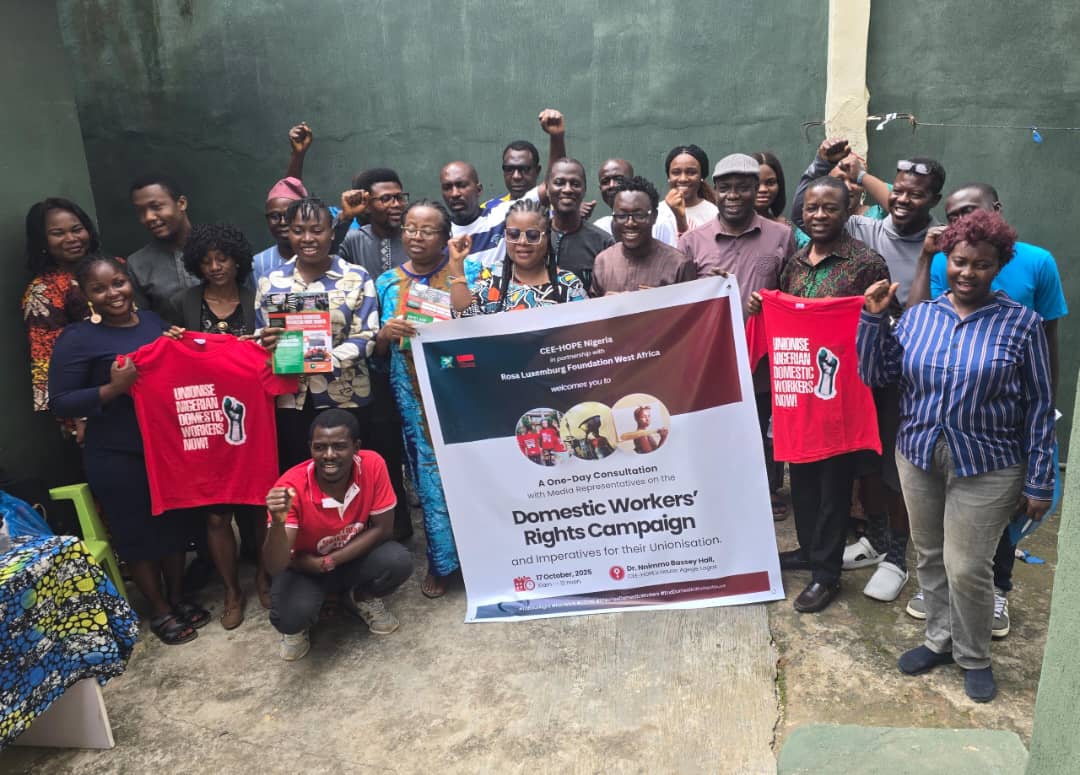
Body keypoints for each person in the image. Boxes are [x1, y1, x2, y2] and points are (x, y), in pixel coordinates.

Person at [858, 209, 1054, 703]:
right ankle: (938, 640)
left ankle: (974, 655)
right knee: (929, 555)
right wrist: (873, 319)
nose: (968, 273)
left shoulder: (1022, 324)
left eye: (981, 265)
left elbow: (1039, 404)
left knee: (967, 565)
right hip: (919, 454)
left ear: (999, 266)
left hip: (988, 463)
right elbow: (878, 375)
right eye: (960, 262)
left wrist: (1040, 480)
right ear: (947, 259)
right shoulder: (920, 316)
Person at [905, 182, 1068, 635]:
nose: (969, 270)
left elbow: (1047, 347)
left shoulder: (1037, 266)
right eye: (953, 217)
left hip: (1000, 425)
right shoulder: (946, 262)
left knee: (988, 535)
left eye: (970, 211)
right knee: (944, 543)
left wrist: (1039, 451)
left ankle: (994, 593)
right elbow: (920, 329)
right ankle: (943, 625)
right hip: (940, 429)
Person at [747, 176, 891, 613]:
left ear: (847, 211)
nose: (820, 215)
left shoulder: (867, 263)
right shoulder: (794, 264)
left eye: (830, 207)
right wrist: (761, 308)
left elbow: (883, 323)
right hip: (798, 394)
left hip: (839, 395)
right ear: (802, 213)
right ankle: (809, 550)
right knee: (803, 480)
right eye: (812, 208)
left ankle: (826, 575)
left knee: (833, 484)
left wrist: (871, 313)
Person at [49, 255, 206, 645]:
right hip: (115, 452)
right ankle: (160, 609)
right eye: (99, 289)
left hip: (164, 448)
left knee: (173, 528)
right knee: (137, 534)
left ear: (128, 282)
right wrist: (114, 388)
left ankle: (177, 596)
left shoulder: (153, 323)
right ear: (87, 295)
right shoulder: (77, 338)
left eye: (117, 283)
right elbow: (61, 401)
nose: (113, 293)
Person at [162, 223, 268, 626]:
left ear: (236, 260)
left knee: (259, 506)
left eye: (222, 258)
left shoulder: (256, 298)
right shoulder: (183, 303)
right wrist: (173, 340)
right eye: (206, 261)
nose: (215, 267)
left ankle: (264, 577)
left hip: (253, 417)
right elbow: (170, 357)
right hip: (207, 422)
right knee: (216, 515)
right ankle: (231, 590)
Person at [679, 153, 795, 517]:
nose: (733, 195)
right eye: (725, 188)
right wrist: (705, 292)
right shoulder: (692, 241)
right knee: (717, 432)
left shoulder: (781, 236)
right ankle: (721, 498)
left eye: (743, 187)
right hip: (713, 361)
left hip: (762, 361)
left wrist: (770, 305)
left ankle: (765, 495)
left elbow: (791, 292)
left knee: (762, 430)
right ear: (714, 189)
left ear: (756, 189)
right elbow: (682, 306)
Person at [374, 200, 477, 599]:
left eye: (428, 230)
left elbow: (478, 325)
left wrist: (455, 273)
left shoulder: (467, 273)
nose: (417, 237)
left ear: (445, 236)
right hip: (412, 398)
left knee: (473, 475)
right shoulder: (386, 283)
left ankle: (485, 558)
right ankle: (442, 563)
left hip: (462, 391)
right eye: (411, 228)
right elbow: (377, 357)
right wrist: (385, 335)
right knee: (430, 481)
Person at [263, 409, 412, 662]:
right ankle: (304, 621)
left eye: (340, 446)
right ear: (310, 448)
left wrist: (329, 561)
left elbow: (383, 529)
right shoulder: (290, 487)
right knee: (289, 618)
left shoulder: (372, 465)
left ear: (356, 447)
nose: (329, 455)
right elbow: (275, 566)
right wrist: (277, 523)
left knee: (398, 561)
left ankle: (359, 597)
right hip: (304, 569)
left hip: (348, 559)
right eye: (320, 447)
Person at [255, 197, 380, 471]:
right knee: (298, 475)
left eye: (317, 230)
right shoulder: (271, 281)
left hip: (346, 398)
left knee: (350, 475)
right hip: (291, 401)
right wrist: (266, 342)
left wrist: (318, 359)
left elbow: (367, 336)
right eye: (298, 231)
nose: (307, 238)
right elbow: (261, 335)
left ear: (332, 233)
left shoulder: (356, 277)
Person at [441, 108, 566, 276]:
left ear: (478, 190)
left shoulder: (500, 215)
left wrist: (556, 137)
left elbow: (552, 185)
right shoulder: (438, 233)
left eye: (462, 185)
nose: (455, 193)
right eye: (447, 187)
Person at [22, 198, 98, 414]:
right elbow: (47, 361)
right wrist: (76, 417)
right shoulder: (43, 292)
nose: (71, 239)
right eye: (58, 233)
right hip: (91, 401)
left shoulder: (115, 268)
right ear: (42, 241)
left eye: (77, 229)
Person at [451, 199, 587, 315]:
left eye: (532, 235)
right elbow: (463, 315)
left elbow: (585, 331)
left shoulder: (569, 285)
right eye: (514, 234)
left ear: (546, 237)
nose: (522, 242)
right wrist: (457, 269)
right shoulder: (491, 279)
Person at [591, 177, 698, 296]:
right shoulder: (603, 262)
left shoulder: (679, 264)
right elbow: (593, 306)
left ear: (654, 216)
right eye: (621, 215)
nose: (630, 223)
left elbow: (693, 307)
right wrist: (606, 303)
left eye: (639, 215)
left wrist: (660, 301)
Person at [127, 173, 199, 313]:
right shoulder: (137, 265)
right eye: (141, 211)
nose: (148, 217)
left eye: (156, 206)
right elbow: (142, 320)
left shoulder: (219, 250)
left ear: (181, 203)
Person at [545, 158, 614, 293]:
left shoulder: (603, 243)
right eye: (559, 183)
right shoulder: (533, 237)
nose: (567, 189)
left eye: (575, 184)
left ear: (584, 190)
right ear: (547, 189)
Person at [790, 138, 888, 231]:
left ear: (864, 186)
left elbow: (895, 202)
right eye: (839, 180)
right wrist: (821, 164)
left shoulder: (881, 216)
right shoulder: (825, 224)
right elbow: (800, 212)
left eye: (855, 180)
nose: (848, 187)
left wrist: (862, 176)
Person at [337, 168, 409, 279]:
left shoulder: (414, 238)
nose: (396, 204)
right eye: (385, 198)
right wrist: (345, 218)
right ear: (367, 205)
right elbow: (325, 260)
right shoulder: (354, 240)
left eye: (399, 197)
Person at [591, 160, 677, 247]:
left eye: (619, 179)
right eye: (605, 181)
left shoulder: (660, 223)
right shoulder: (599, 227)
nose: (612, 185)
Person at [657, 144, 718, 237]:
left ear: (701, 176)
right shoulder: (657, 213)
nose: (683, 179)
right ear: (668, 176)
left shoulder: (713, 214)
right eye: (676, 172)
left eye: (691, 172)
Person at [750, 151, 809, 248]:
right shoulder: (733, 226)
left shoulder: (784, 228)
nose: (763, 189)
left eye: (770, 183)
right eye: (756, 184)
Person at [254, 176, 308, 282]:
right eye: (274, 216)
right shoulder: (258, 264)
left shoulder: (323, 259)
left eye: (289, 214)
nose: (283, 222)